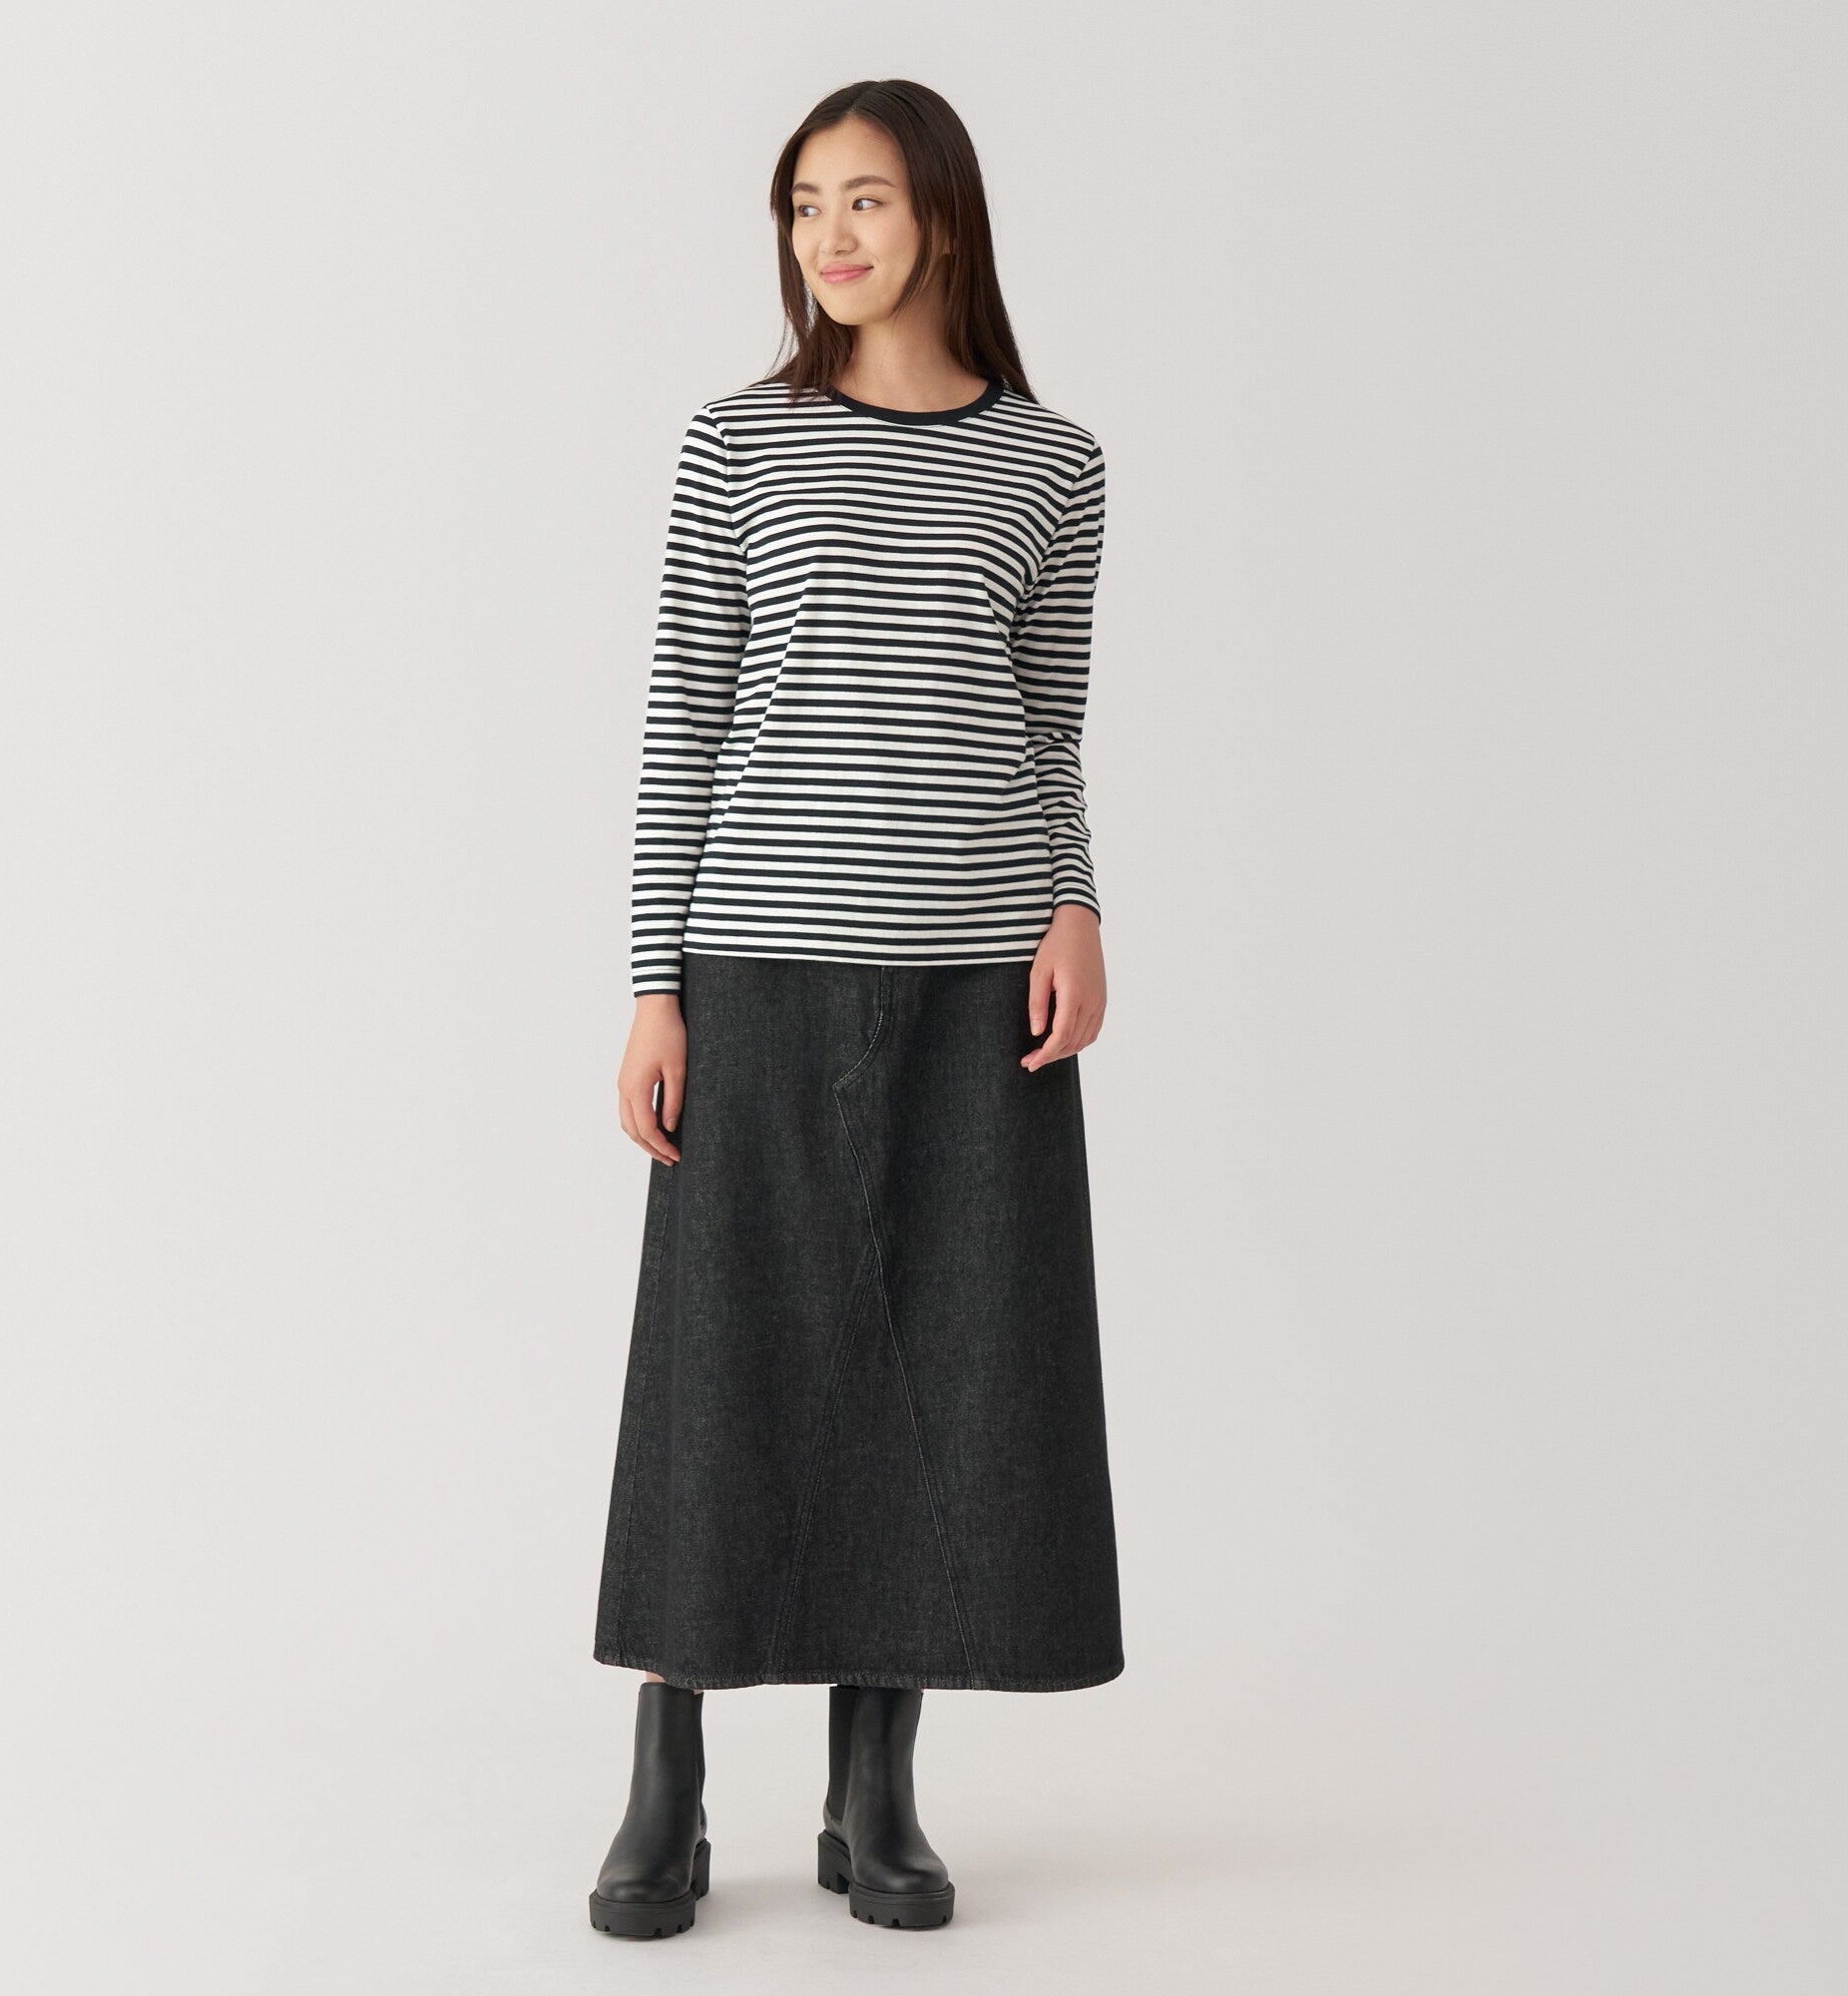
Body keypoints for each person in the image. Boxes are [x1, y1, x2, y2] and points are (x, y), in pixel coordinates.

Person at [588, 77, 1125, 1940]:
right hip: (758, 969)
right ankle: (667, 1778)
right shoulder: (740, 442)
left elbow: (1049, 724)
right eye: (805, 204)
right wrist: (653, 985)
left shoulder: (1054, 462)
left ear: (943, 218)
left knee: (939, 1372)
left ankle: (872, 1787)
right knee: (726, 1367)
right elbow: (685, 713)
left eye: (866, 199)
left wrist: (1076, 902)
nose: (830, 235)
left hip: (976, 981)